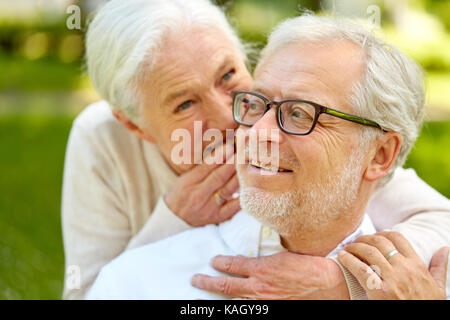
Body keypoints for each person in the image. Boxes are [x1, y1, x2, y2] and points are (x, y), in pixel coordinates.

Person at [62, 0, 450, 300]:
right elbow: (98, 287)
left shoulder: (352, 158)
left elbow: (438, 218)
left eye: (228, 77)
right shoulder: (101, 141)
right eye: (184, 104)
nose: (233, 121)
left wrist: (345, 280)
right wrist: (172, 220)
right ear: (135, 125)